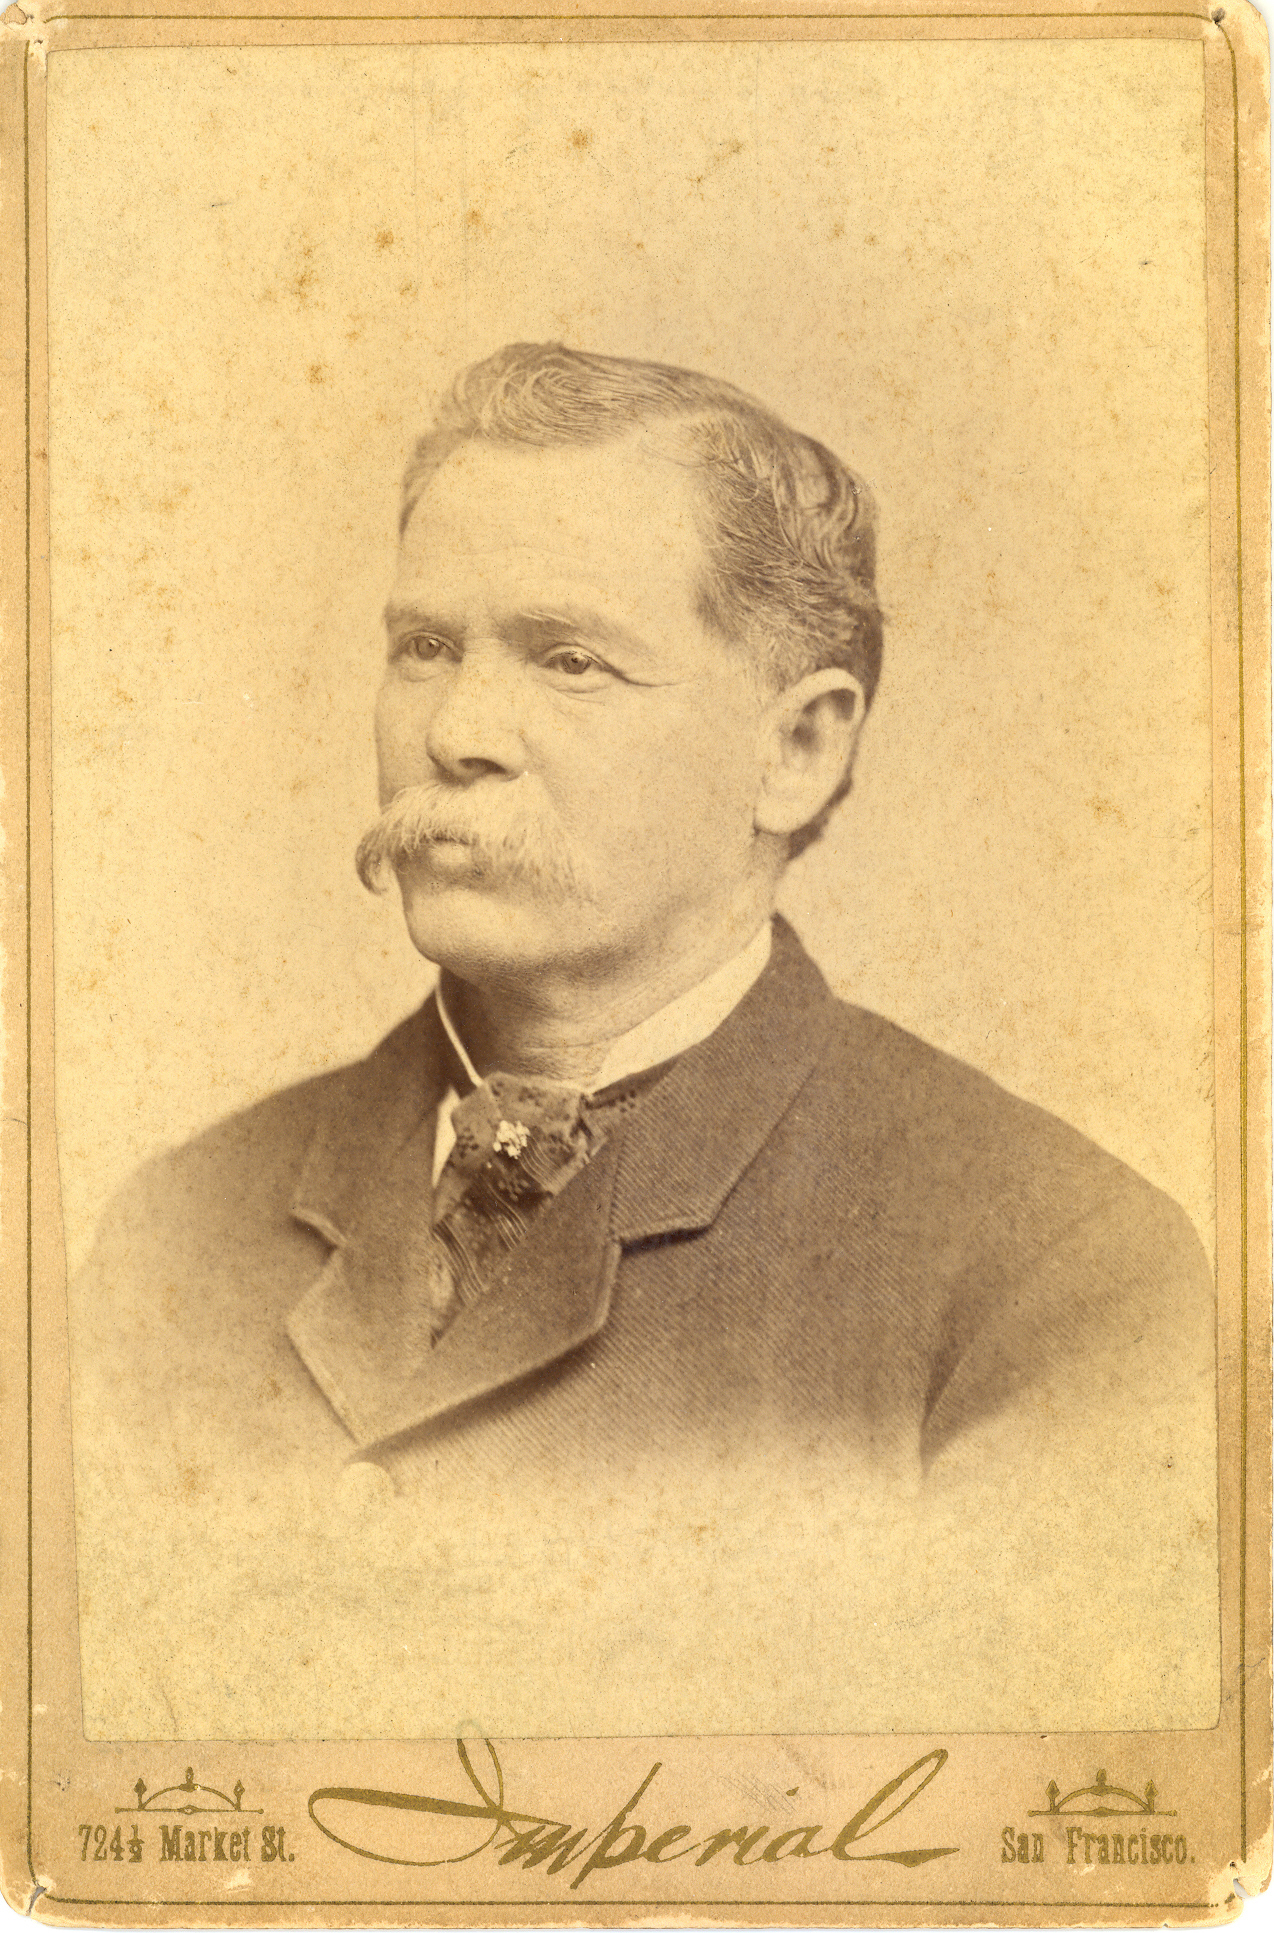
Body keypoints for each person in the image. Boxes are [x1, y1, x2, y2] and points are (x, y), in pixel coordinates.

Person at [68, 344, 1218, 1740]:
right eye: (423, 647)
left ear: (793, 750)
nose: (454, 732)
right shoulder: (177, 1232)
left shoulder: (1056, 1276)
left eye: (569, 660)